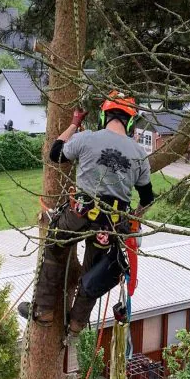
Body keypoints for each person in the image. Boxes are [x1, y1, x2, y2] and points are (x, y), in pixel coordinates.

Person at [18, 91, 155, 335]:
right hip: (111, 224)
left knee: (55, 247)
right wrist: (132, 220)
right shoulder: (139, 154)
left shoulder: (87, 138)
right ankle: (77, 323)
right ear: (130, 122)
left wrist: (74, 124)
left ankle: (43, 310)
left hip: (80, 213)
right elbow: (146, 197)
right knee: (94, 270)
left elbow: (56, 153)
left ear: (104, 116)